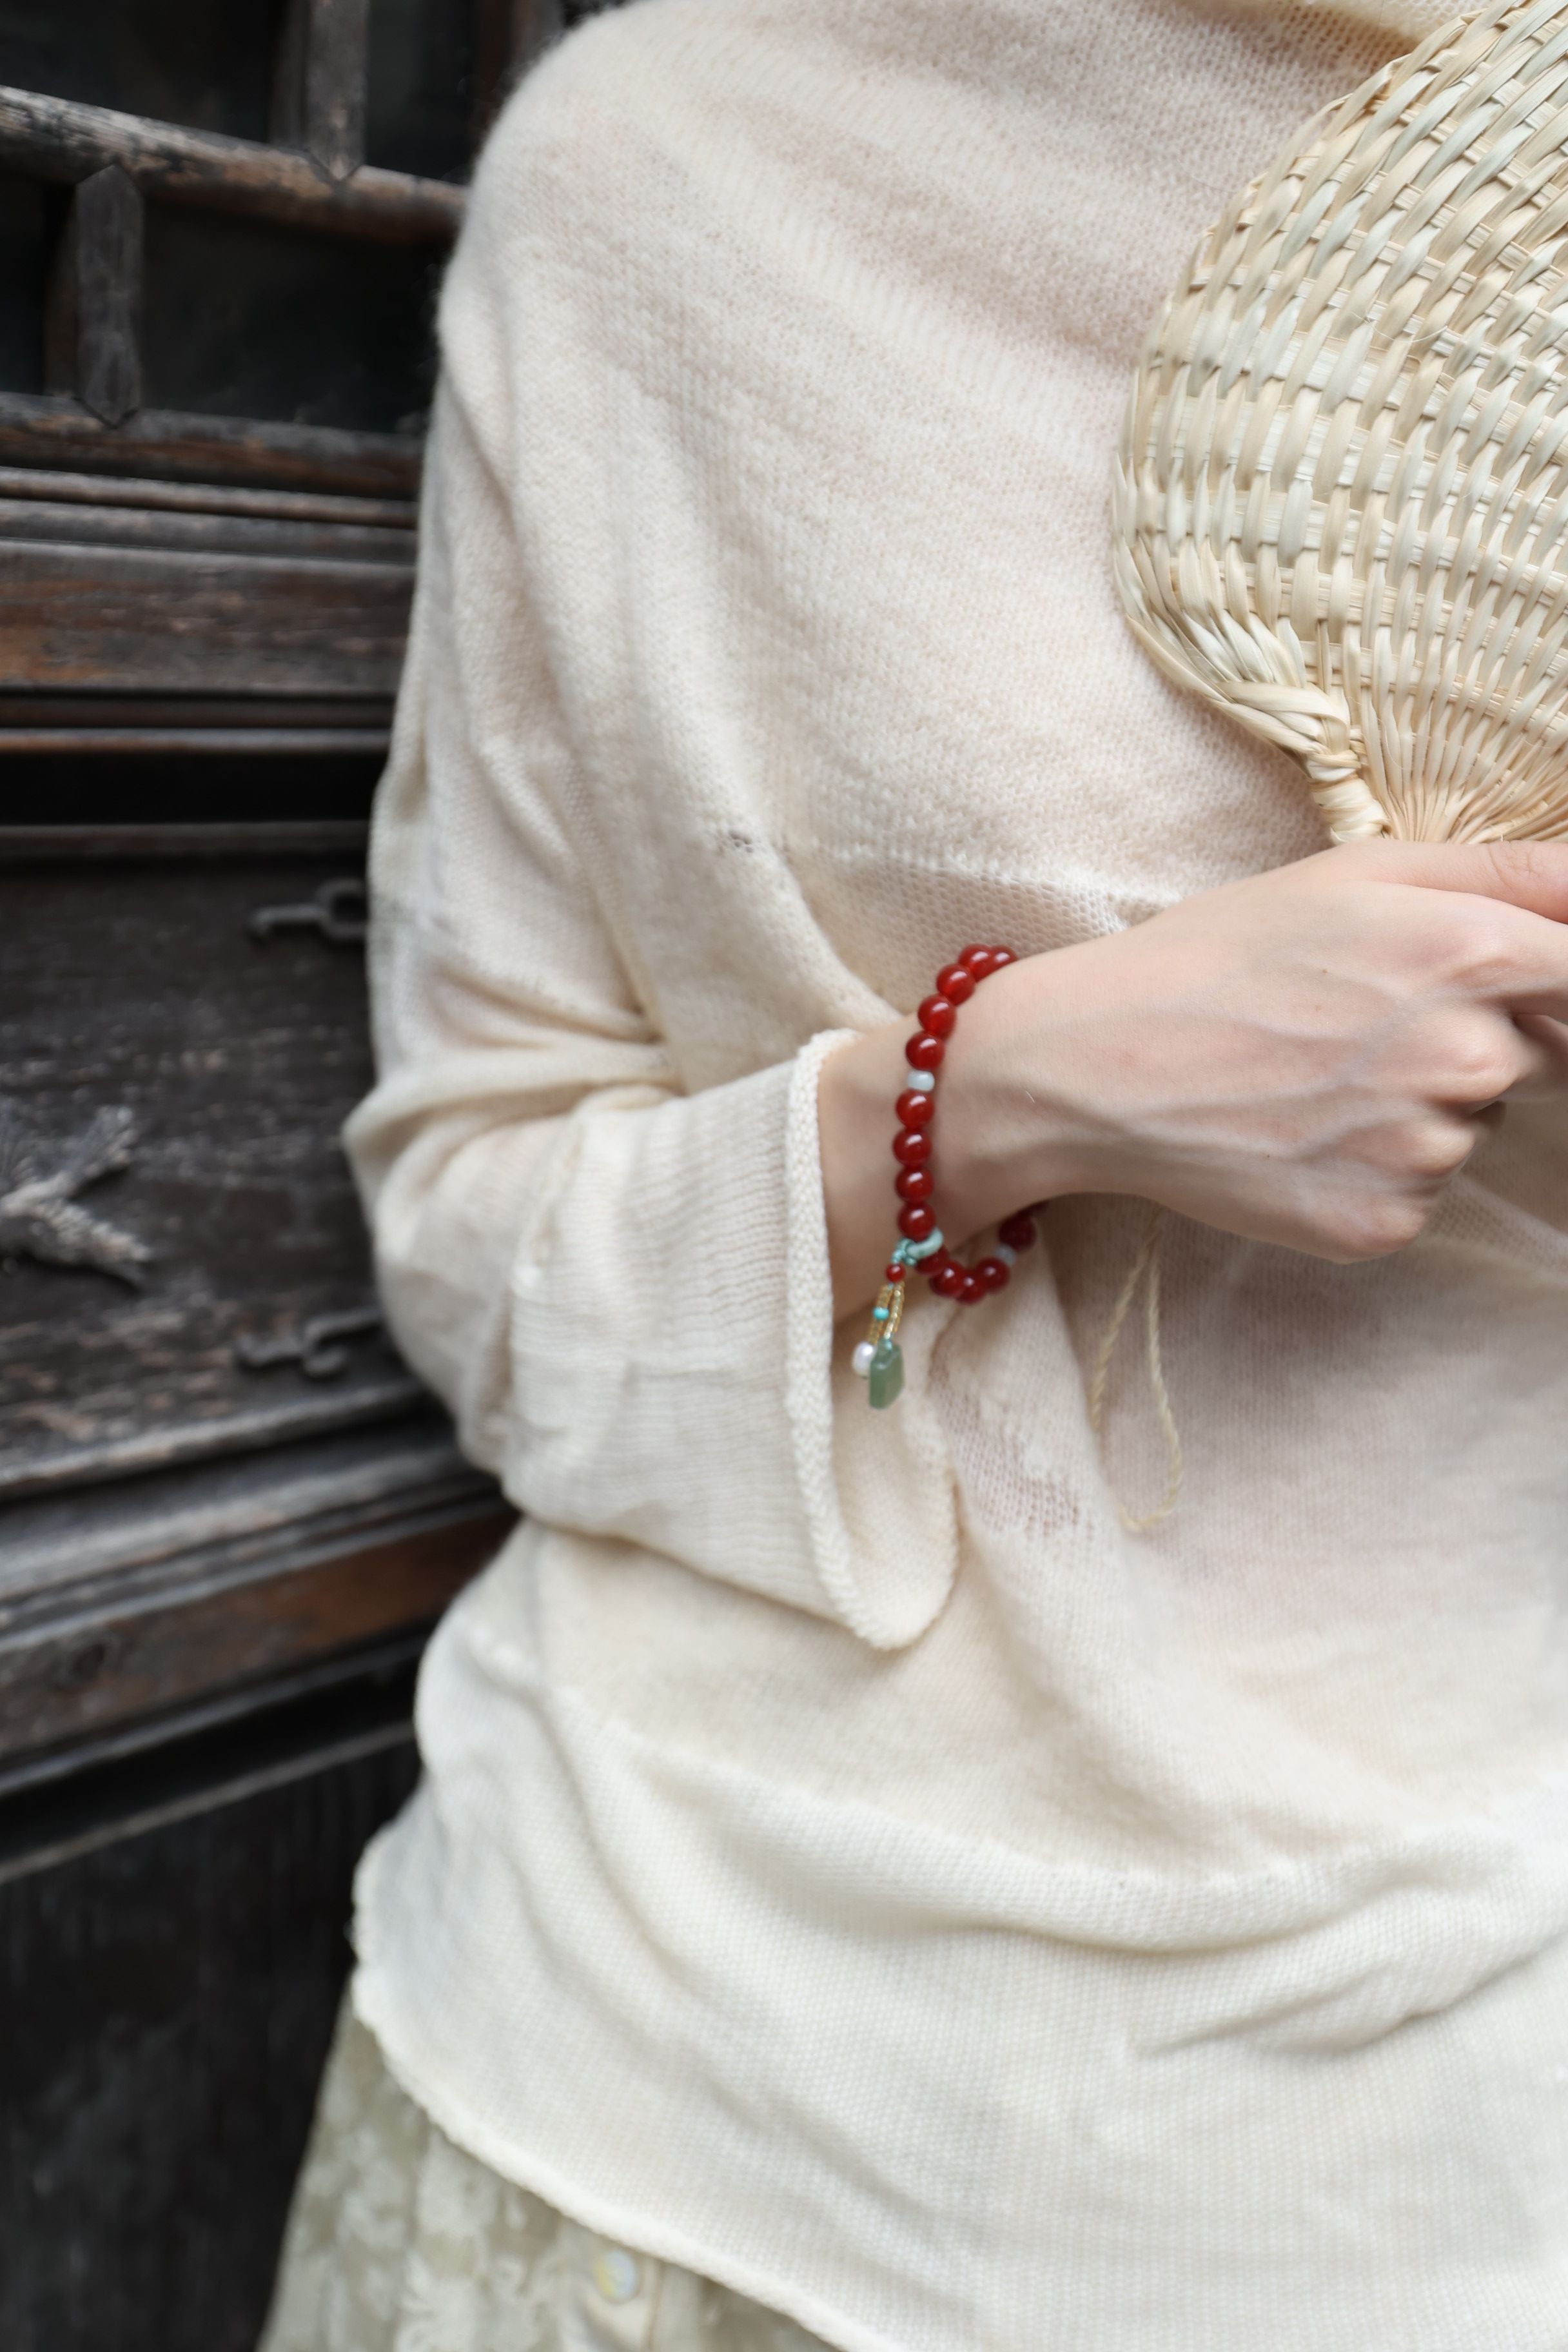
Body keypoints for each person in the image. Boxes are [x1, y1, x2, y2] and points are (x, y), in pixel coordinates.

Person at [261, 2, 1568, 2346]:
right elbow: (474, 1233)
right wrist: (1001, 1097)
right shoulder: (666, 172)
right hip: (670, 2079)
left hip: (1468, 2126)